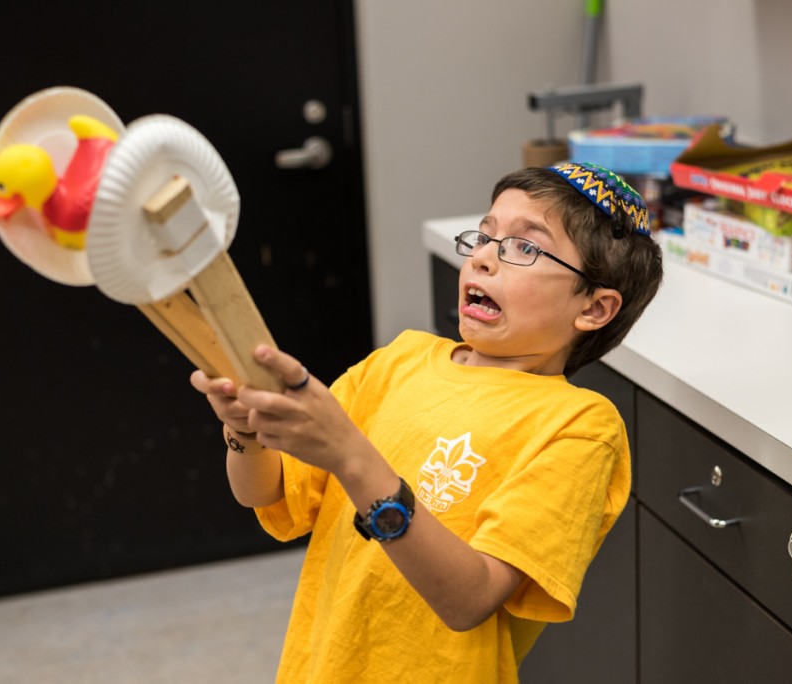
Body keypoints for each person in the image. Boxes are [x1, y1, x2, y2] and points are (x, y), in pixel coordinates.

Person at [190, 162, 663, 682]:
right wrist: (246, 433)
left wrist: (351, 454)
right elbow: (266, 491)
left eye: (525, 248)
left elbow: (469, 600)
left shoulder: (580, 428)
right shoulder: (400, 361)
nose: (483, 258)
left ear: (595, 308)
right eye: (485, 236)